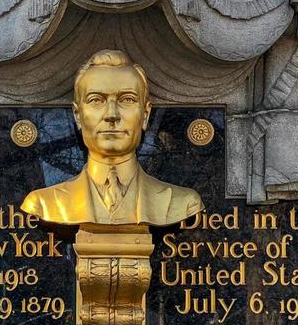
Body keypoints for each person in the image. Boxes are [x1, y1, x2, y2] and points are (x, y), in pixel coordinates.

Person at [21, 49, 203, 226]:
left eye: (127, 99)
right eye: (96, 100)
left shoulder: (183, 203)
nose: (112, 114)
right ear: (78, 115)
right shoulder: (43, 204)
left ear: (145, 115)